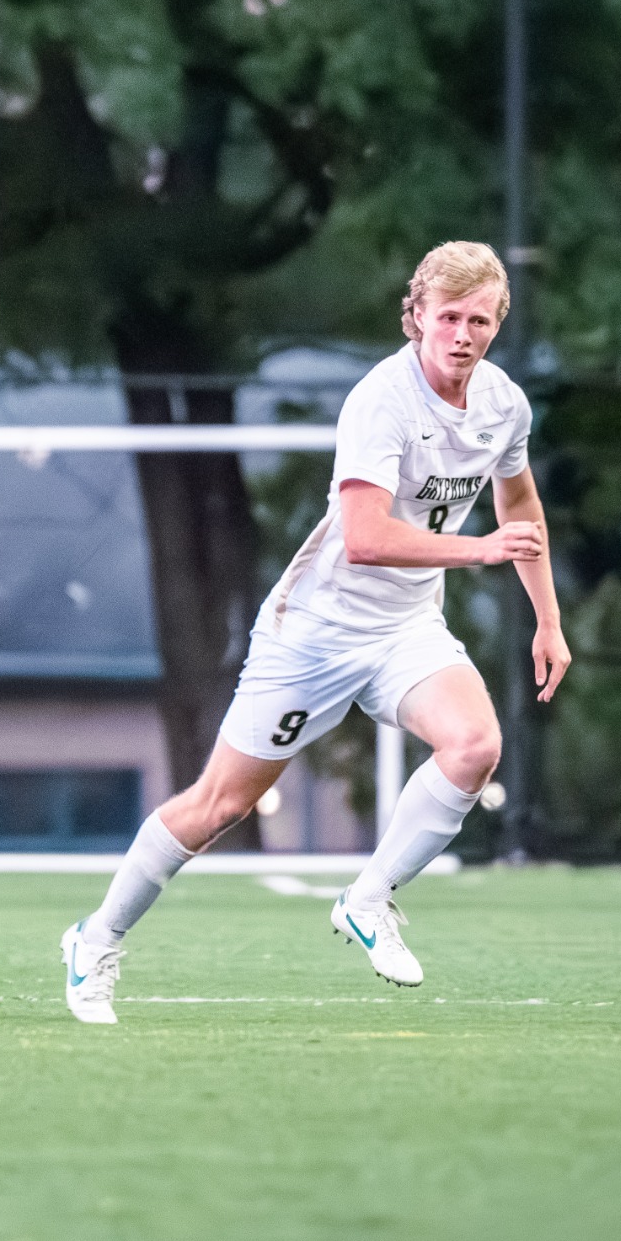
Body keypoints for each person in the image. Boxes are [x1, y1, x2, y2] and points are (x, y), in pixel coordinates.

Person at [61, 242, 570, 1024]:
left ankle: (368, 898)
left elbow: (522, 509)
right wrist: (477, 551)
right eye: (447, 318)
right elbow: (366, 538)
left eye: (479, 320)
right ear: (416, 319)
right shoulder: (381, 401)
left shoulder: (504, 404)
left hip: (405, 627)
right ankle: (94, 940)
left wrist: (547, 617)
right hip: (317, 633)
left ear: (496, 324)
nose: (462, 334)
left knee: (474, 745)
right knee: (217, 806)